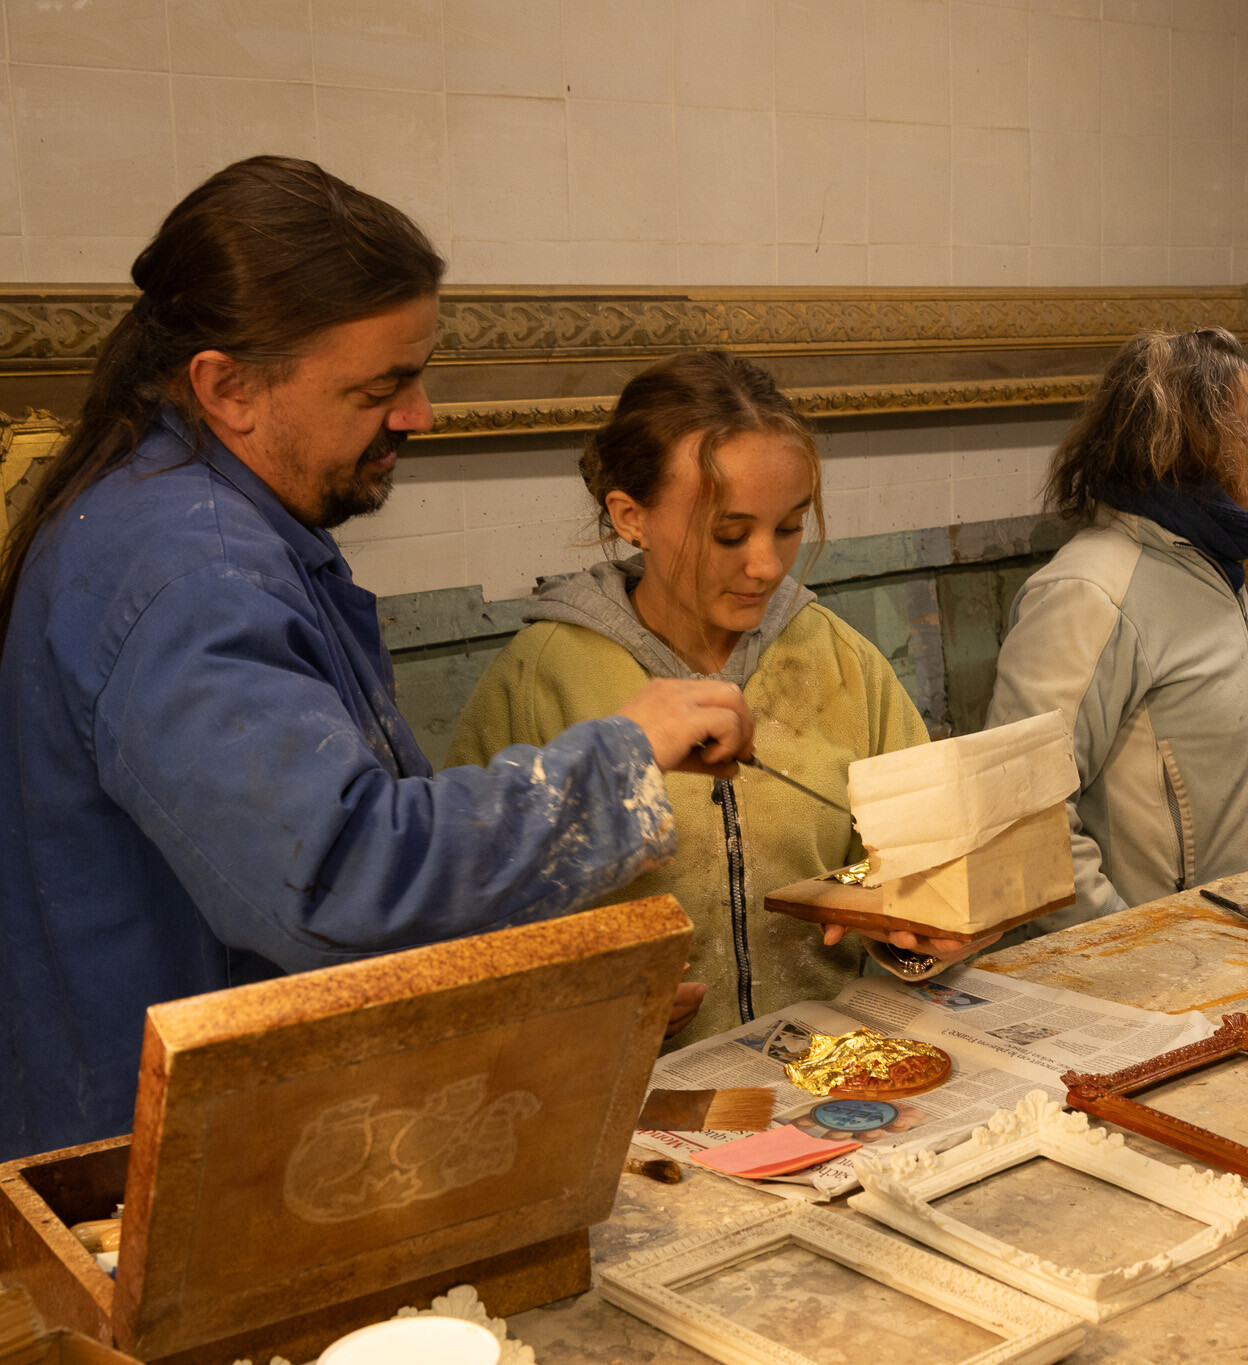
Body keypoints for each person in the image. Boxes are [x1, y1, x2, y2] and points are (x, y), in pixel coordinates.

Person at [0, 158, 753, 1160]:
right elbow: (338, 881)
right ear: (228, 387)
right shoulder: (189, 573)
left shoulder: (207, 523)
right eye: (380, 387)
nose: (419, 414)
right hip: (168, 1160)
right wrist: (619, 756)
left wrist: (544, 992)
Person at [447, 349, 944, 1044]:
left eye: (790, 526)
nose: (767, 564)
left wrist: (918, 930)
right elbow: (464, 929)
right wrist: (582, 998)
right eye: (729, 533)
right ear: (631, 516)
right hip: (633, 1096)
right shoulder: (540, 679)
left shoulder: (841, 661)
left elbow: (928, 866)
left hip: (837, 1071)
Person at [986, 327, 1248, 929]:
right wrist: (1132, 948)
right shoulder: (1089, 593)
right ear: (1188, 443)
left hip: (1237, 949)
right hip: (1157, 979)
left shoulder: (1209, 563)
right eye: (1244, 425)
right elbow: (1019, 818)